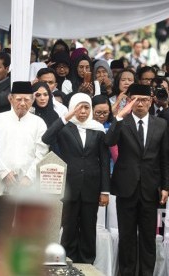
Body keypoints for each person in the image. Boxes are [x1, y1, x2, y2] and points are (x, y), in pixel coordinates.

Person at [105, 83, 169, 275]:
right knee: (127, 237)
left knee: (148, 238)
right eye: (135, 99)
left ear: (151, 102)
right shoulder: (122, 122)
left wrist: (166, 186)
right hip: (126, 187)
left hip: (151, 189)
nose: (140, 104)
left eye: (144, 100)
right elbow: (109, 141)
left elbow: (165, 158)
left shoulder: (161, 124)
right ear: (128, 101)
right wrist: (118, 116)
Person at [42, 93, 110, 264]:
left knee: (88, 228)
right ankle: (66, 262)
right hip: (69, 186)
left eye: (86, 107)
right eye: (79, 107)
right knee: (69, 228)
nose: (83, 111)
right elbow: (46, 138)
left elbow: (103, 162)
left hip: (91, 186)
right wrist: (67, 117)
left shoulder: (98, 129)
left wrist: (104, 191)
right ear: (72, 107)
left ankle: (87, 264)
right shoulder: (64, 127)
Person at [0, 81, 49, 262]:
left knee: (25, 231)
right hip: (2, 183)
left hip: (27, 186)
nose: (22, 103)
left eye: (26, 99)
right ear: (10, 99)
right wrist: (4, 173)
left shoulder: (38, 123)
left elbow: (41, 152)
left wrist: (28, 177)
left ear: (32, 100)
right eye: (19, 99)